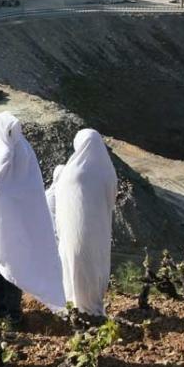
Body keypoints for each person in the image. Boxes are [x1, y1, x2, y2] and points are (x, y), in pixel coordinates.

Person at [0, 112, 66, 322]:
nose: (11, 136)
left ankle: (13, 313)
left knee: (15, 264)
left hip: (17, 223)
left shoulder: (24, 152)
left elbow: (31, 188)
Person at [54, 129, 117, 317]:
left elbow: (60, 199)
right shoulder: (107, 170)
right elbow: (111, 198)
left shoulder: (70, 171)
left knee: (74, 261)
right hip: (99, 229)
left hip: (72, 230)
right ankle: (93, 306)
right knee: (96, 263)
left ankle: (75, 304)